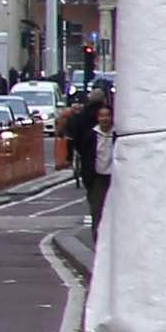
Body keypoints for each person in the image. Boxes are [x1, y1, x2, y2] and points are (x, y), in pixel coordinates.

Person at [63, 83, 111, 233]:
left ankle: (98, 242)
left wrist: (72, 155)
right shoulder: (93, 131)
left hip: (93, 171)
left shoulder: (81, 117)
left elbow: (73, 138)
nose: (104, 119)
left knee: (97, 210)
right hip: (100, 172)